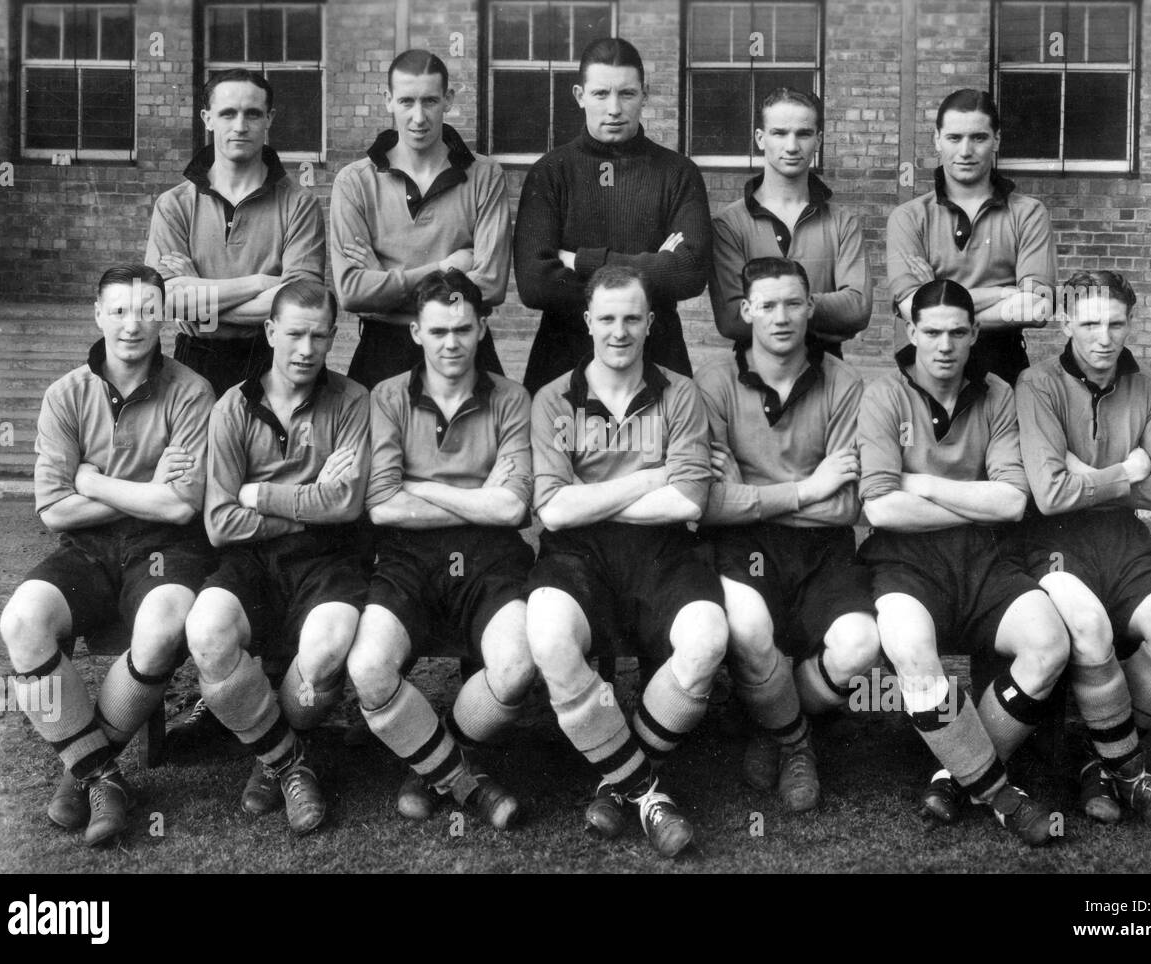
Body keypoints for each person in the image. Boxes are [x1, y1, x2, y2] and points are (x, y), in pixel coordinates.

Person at [0, 264, 215, 847]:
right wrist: (145, 492)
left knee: (164, 624)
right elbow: (52, 510)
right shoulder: (65, 394)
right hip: (87, 550)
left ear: (163, 316)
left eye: (147, 308)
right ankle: (101, 775)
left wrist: (92, 482)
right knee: (22, 620)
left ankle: (84, 767)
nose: (132, 323)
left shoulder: (191, 391)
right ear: (97, 315)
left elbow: (181, 509)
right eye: (118, 310)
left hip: (164, 550)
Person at [857, 278, 1069, 847]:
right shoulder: (882, 395)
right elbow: (880, 507)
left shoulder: (996, 393)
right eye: (932, 333)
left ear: (976, 333)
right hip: (903, 561)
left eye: (957, 332)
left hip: (983, 558)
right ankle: (1001, 796)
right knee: (909, 648)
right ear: (911, 333)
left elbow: (1011, 501)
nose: (945, 345)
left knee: (1049, 643)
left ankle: (955, 775)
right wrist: (972, 503)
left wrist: (922, 485)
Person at [525, 265, 727, 858]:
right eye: (607, 318)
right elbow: (554, 513)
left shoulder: (680, 393)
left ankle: (616, 781)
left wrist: (603, 497)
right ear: (587, 322)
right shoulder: (554, 398)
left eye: (632, 318)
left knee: (706, 641)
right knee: (548, 636)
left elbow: (690, 499)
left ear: (651, 323)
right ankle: (647, 793)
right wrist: (653, 475)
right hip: (576, 554)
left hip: (664, 551)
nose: (619, 331)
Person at [1014, 270, 1151, 838]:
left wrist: (1089, 477)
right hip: (1052, 543)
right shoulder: (1037, 383)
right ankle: (1130, 773)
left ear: (1130, 324)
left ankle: (1092, 753)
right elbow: (1049, 495)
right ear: (1066, 321)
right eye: (1089, 322)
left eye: (1116, 323)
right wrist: (1126, 471)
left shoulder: (1146, 388)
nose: (1103, 337)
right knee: (1089, 626)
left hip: (1123, 537)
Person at [347, 271, 534, 830]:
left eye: (462, 329)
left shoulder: (511, 398)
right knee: (369, 667)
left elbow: (513, 511)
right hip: (408, 559)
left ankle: (432, 761)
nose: (450, 343)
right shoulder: (386, 396)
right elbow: (381, 506)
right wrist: (477, 493)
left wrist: (420, 486)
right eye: (438, 331)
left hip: (492, 557)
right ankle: (458, 777)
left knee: (516, 669)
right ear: (415, 332)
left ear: (482, 328)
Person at [183, 281, 369, 835]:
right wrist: (313, 501)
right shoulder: (231, 407)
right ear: (269, 332)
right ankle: (287, 762)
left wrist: (259, 494)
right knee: (207, 631)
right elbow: (219, 523)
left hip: (328, 559)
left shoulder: (354, 400)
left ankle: (272, 752)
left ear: (333, 337)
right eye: (294, 334)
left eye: (318, 336)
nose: (306, 349)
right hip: (251, 559)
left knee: (326, 648)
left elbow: (348, 504)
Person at [698, 257, 879, 812]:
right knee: (750, 630)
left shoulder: (846, 383)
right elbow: (708, 506)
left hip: (824, 550)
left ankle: (770, 718)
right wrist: (805, 490)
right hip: (744, 551)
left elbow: (848, 504)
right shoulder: (713, 383)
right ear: (746, 310)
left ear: (810, 308)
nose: (782, 317)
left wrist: (750, 498)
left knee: (860, 647)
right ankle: (796, 743)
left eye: (794, 303)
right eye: (768, 305)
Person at [514, 37, 712, 394]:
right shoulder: (550, 172)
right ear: (579, 95)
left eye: (627, 94)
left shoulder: (678, 173)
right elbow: (535, 283)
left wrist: (582, 261)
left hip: (658, 357)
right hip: (563, 361)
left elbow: (690, 273)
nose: (614, 108)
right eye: (601, 94)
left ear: (645, 94)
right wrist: (655, 266)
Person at [331, 49, 511, 388]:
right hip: (383, 353)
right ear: (387, 100)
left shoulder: (485, 176)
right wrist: (444, 269)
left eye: (429, 101)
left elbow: (490, 284)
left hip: (463, 349)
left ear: (448, 99)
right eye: (406, 102)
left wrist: (383, 280)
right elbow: (353, 292)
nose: (418, 117)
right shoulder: (354, 181)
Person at [146, 68, 325, 397]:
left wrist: (199, 300)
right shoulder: (173, 205)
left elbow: (300, 303)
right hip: (196, 362)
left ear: (269, 118)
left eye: (253, 114)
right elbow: (165, 300)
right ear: (207, 118)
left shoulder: (300, 205)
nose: (240, 126)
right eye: (228, 113)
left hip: (276, 362)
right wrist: (259, 284)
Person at [885, 89, 1055, 385]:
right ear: (937, 139)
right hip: (928, 371)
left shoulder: (1029, 214)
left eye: (978, 138)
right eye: (954, 138)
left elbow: (1037, 307)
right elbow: (911, 308)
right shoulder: (909, 217)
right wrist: (1006, 293)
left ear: (996, 140)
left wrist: (938, 296)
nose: (965, 151)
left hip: (1003, 368)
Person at [709, 88, 871, 357]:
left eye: (804, 134)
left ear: (818, 140)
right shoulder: (728, 225)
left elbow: (858, 309)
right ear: (760, 139)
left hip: (826, 376)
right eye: (780, 133)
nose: (792, 146)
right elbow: (732, 319)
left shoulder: (843, 222)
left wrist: (771, 308)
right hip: (753, 378)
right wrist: (819, 313)